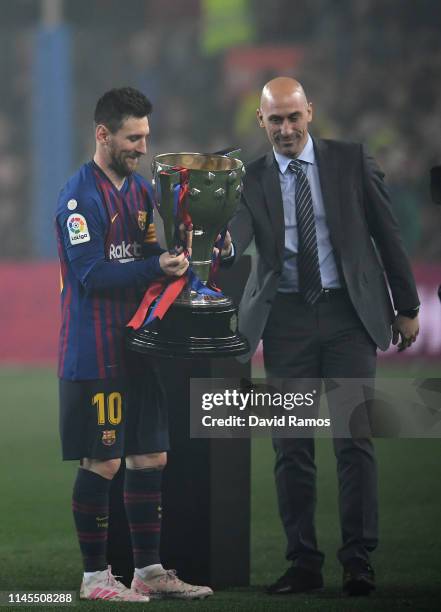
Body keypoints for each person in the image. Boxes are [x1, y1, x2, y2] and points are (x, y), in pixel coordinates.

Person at [223, 77, 420, 596]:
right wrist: (213, 241)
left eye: (293, 117)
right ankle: (303, 564)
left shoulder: (350, 160)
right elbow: (235, 237)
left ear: (310, 112)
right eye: (275, 120)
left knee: (353, 440)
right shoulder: (251, 178)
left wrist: (408, 305)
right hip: (285, 323)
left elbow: (387, 232)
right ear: (260, 122)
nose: (285, 128)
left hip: (348, 318)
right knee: (292, 447)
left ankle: (358, 561)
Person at [55, 87, 213, 602]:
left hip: (139, 348)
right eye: (132, 137)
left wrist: (199, 251)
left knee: (151, 457)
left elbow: (154, 256)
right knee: (102, 462)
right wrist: (153, 266)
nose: (143, 147)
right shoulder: (80, 198)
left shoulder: (142, 192)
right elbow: (90, 275)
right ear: (102, 134)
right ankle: (94, 578)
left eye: (146, 136)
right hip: (96, 350)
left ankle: (148, 570)